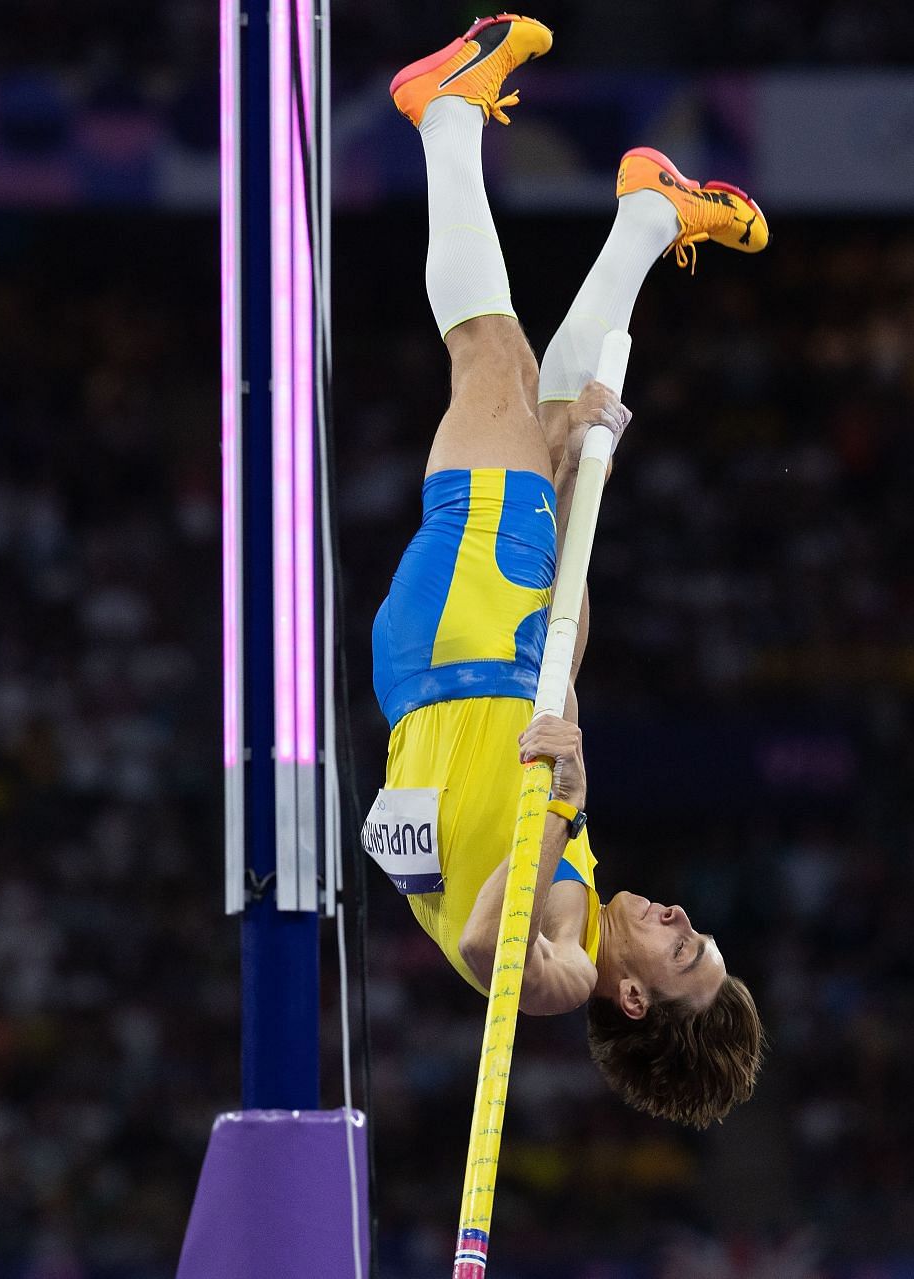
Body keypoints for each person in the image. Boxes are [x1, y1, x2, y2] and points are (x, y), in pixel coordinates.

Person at [368, 13, 767, 1128]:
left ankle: (443, 109)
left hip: (458, 649)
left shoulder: (556, 975)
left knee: (488, 356)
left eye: (686, 951)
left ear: (635, 998)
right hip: (489, 648)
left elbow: (497, 937)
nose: (685, 917)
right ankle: (647, 216)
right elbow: (541, 732)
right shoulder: (586, 901)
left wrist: (565, 795)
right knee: (559, 420)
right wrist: (572, 554)